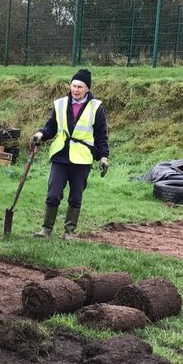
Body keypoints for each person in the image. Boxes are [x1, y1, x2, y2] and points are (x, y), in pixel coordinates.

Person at [29, 68, 109, 240]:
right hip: (60, 155)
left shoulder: (96, 108)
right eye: (74, 85)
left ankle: (69, 231)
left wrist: (103, 156)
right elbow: (51, 126)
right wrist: (40, 135)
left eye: (80, 86)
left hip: (82, 158)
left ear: (87, 88)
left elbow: (101, 135)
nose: (76, 90)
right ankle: (46, 229)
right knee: (53, 193)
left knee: (75, 196)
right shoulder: (60, 104)